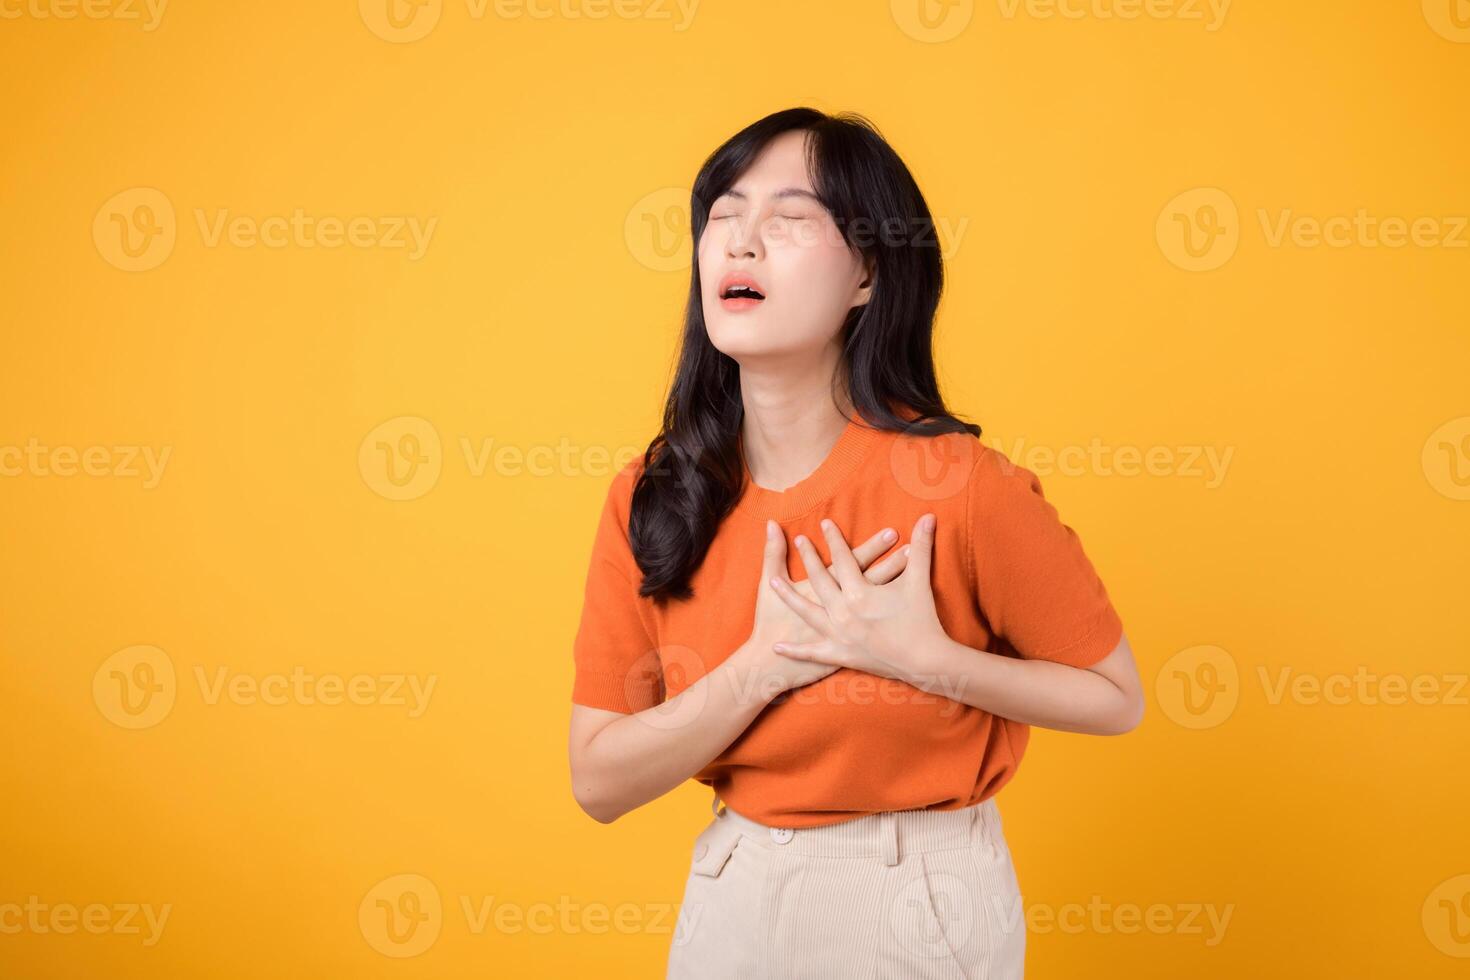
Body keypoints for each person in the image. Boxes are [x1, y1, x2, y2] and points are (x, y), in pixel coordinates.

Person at [567, 106, 1144, 979]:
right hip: (731, 884)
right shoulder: (653, 498)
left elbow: (1114, 698)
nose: (742, 242)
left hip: (909, 887)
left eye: (791, 218)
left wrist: (926, 658)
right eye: (723, 215)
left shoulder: (960, 486)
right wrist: (765, 663)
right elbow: (600, 781)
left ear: (868, 273)